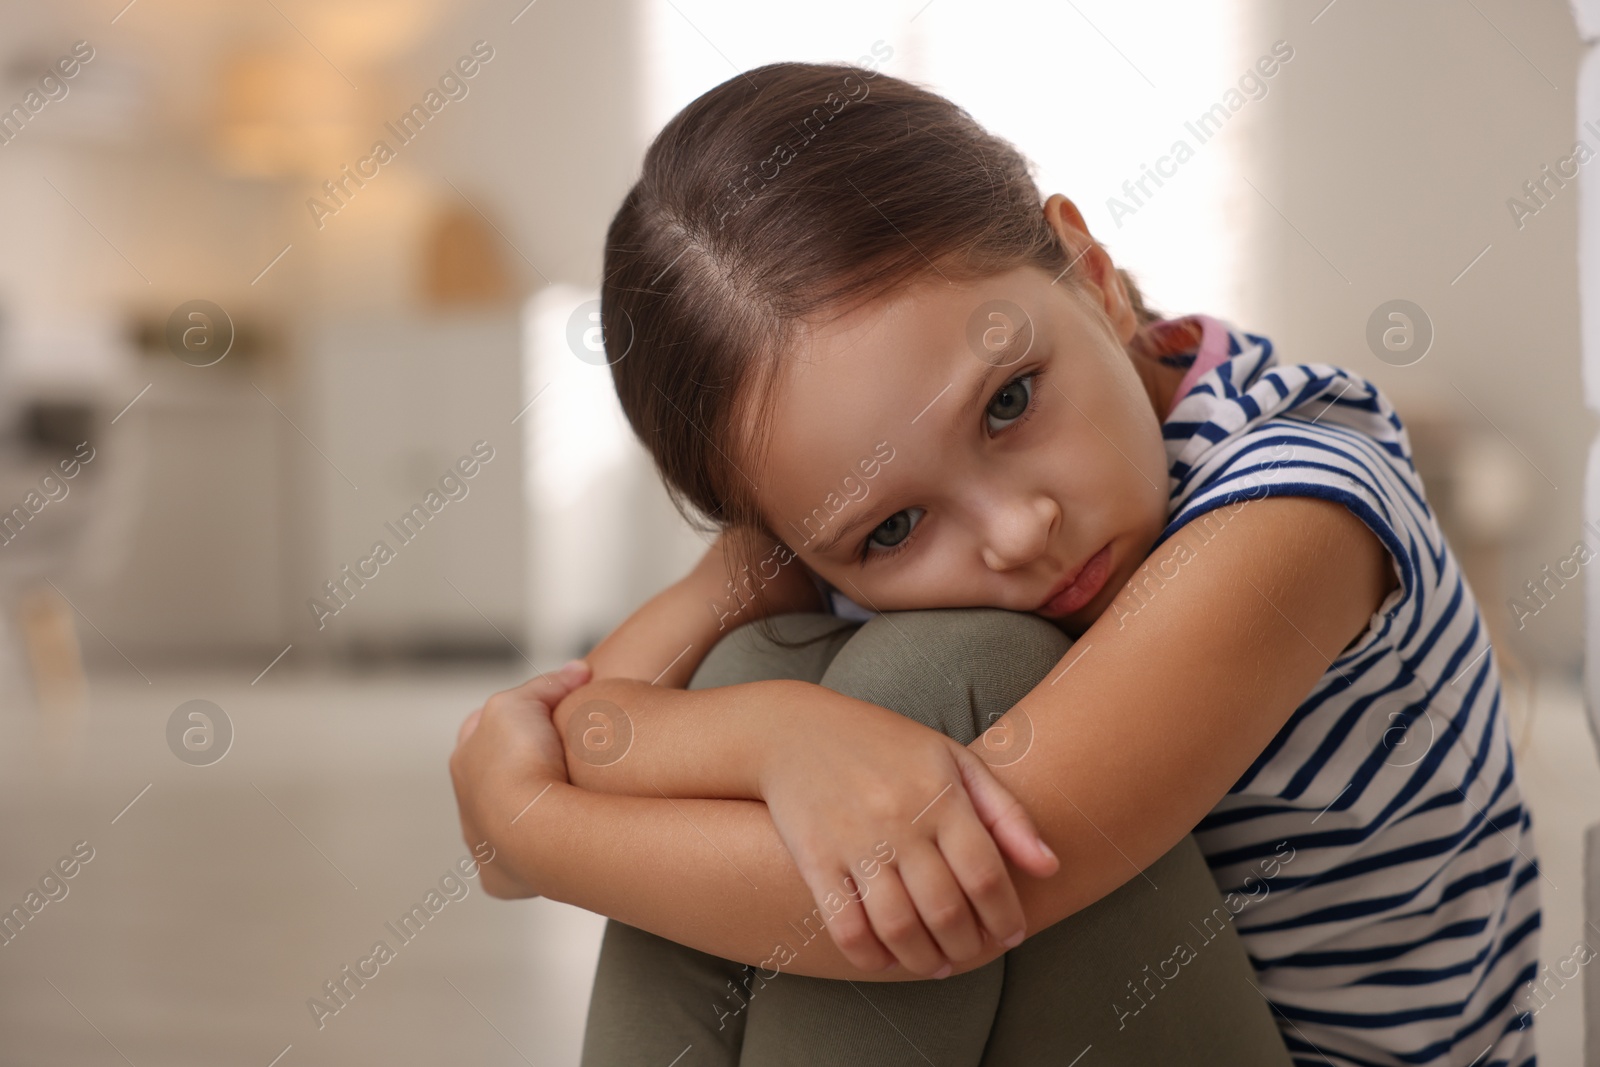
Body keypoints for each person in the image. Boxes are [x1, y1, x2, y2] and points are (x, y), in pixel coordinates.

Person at [450, 61, 1541, 1067]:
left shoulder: (1301, 504)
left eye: (1009, 400)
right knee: (751, 671)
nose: (1017, 530)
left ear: (1091, 272)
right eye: (892, 529)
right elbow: (592, 728)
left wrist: (528, 824)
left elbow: (906, 898)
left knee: (945, 677)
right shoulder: (839, 483)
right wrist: (775, 735)